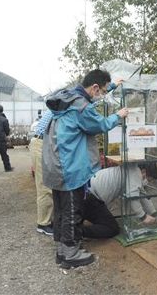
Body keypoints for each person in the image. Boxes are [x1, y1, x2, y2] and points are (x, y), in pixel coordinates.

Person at [42, 69, 128, 269]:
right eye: (103, 90)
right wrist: (119, 115)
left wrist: (113, 85)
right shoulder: (81, 107)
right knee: (74, 210)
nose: (102, 95)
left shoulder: (70, 98)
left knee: (63, 210)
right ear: (95, 87)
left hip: (55, 165)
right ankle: (71, 255)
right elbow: (100, 124)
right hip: (70, 167)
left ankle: (63, 250)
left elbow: (91, 103)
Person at [29, 110, 54, 236]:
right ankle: (43, 224)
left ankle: (48, 220)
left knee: (48, 185)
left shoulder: (64, 100)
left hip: (42, 142)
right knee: (45, 187)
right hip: (42, 144)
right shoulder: (68, 103)